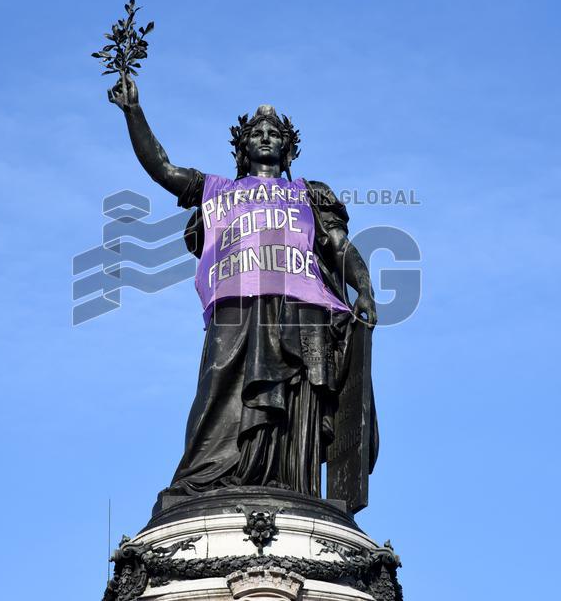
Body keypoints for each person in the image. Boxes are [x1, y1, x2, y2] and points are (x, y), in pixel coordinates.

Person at [108, 76, 378, 498]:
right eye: (257, 133)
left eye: (275, 134)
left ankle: (288, 484)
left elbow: (340, 247)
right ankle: (208, 477)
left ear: (288, 148)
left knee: (290, 404)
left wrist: (364, 287)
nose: (266, 137)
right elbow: (163, 169)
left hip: (300, 311)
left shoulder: (309, 195)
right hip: (235, 308)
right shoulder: (217, 191)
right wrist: (134, 112)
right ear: (243, 146)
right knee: (219, 387)